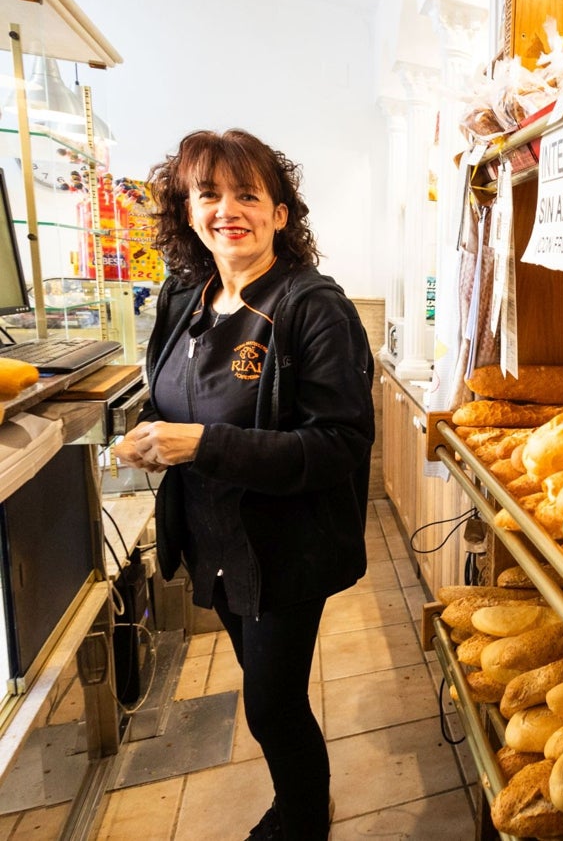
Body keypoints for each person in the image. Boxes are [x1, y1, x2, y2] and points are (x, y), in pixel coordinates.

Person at [114, 129, 375, 840]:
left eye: (247, 195)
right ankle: (298, 804)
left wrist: (200, 444)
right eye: (209, 195)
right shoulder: (183, 297)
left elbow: (340, 443)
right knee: (266, 692)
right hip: (215, 542)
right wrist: (149, 433)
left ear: (281, 214)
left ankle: (301, 820)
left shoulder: (311, 306)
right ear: (188, 210)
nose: (227, 209)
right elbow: (171, 394)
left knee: (271, 704)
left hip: (284, 549)